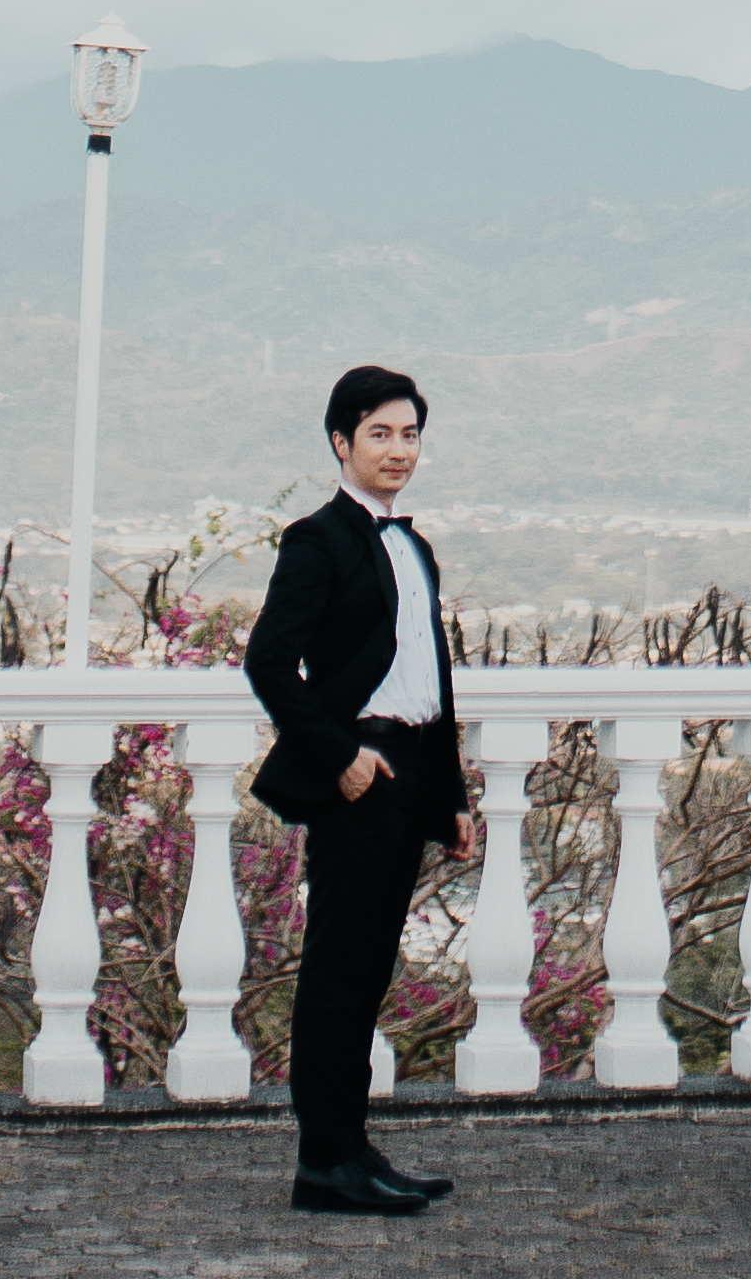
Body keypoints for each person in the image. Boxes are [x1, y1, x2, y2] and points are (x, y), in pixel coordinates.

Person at [245, 363, 480, 1218]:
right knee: (338, 971)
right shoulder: (317, 541)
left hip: (411, 772)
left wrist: (450, 796)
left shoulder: (413, 547)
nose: (398, 450)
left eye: (409, 434)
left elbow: (431, 681)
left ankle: (352, 1149)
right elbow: (269, 663)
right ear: (341, 442)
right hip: (360, 774)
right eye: (380, 433)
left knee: (372, 966)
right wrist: (340, 753)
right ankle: (323, 1163)